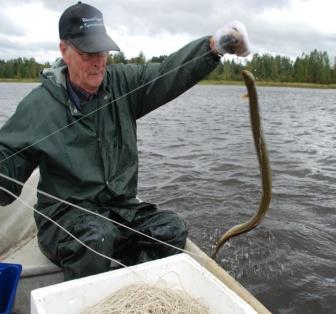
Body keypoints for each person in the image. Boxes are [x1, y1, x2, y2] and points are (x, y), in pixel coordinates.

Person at [0, 2, 249, 280]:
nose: (98, 61)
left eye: (102, 51)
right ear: (64, 51)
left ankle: (135, 292)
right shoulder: (39, 106)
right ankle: (89, 309)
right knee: (96, 238)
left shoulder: (120, 83)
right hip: (65, 220)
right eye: (87, 53)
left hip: (119, 211)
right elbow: (7, 167)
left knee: (171, 228)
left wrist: (213, 47)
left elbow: (167, 74)